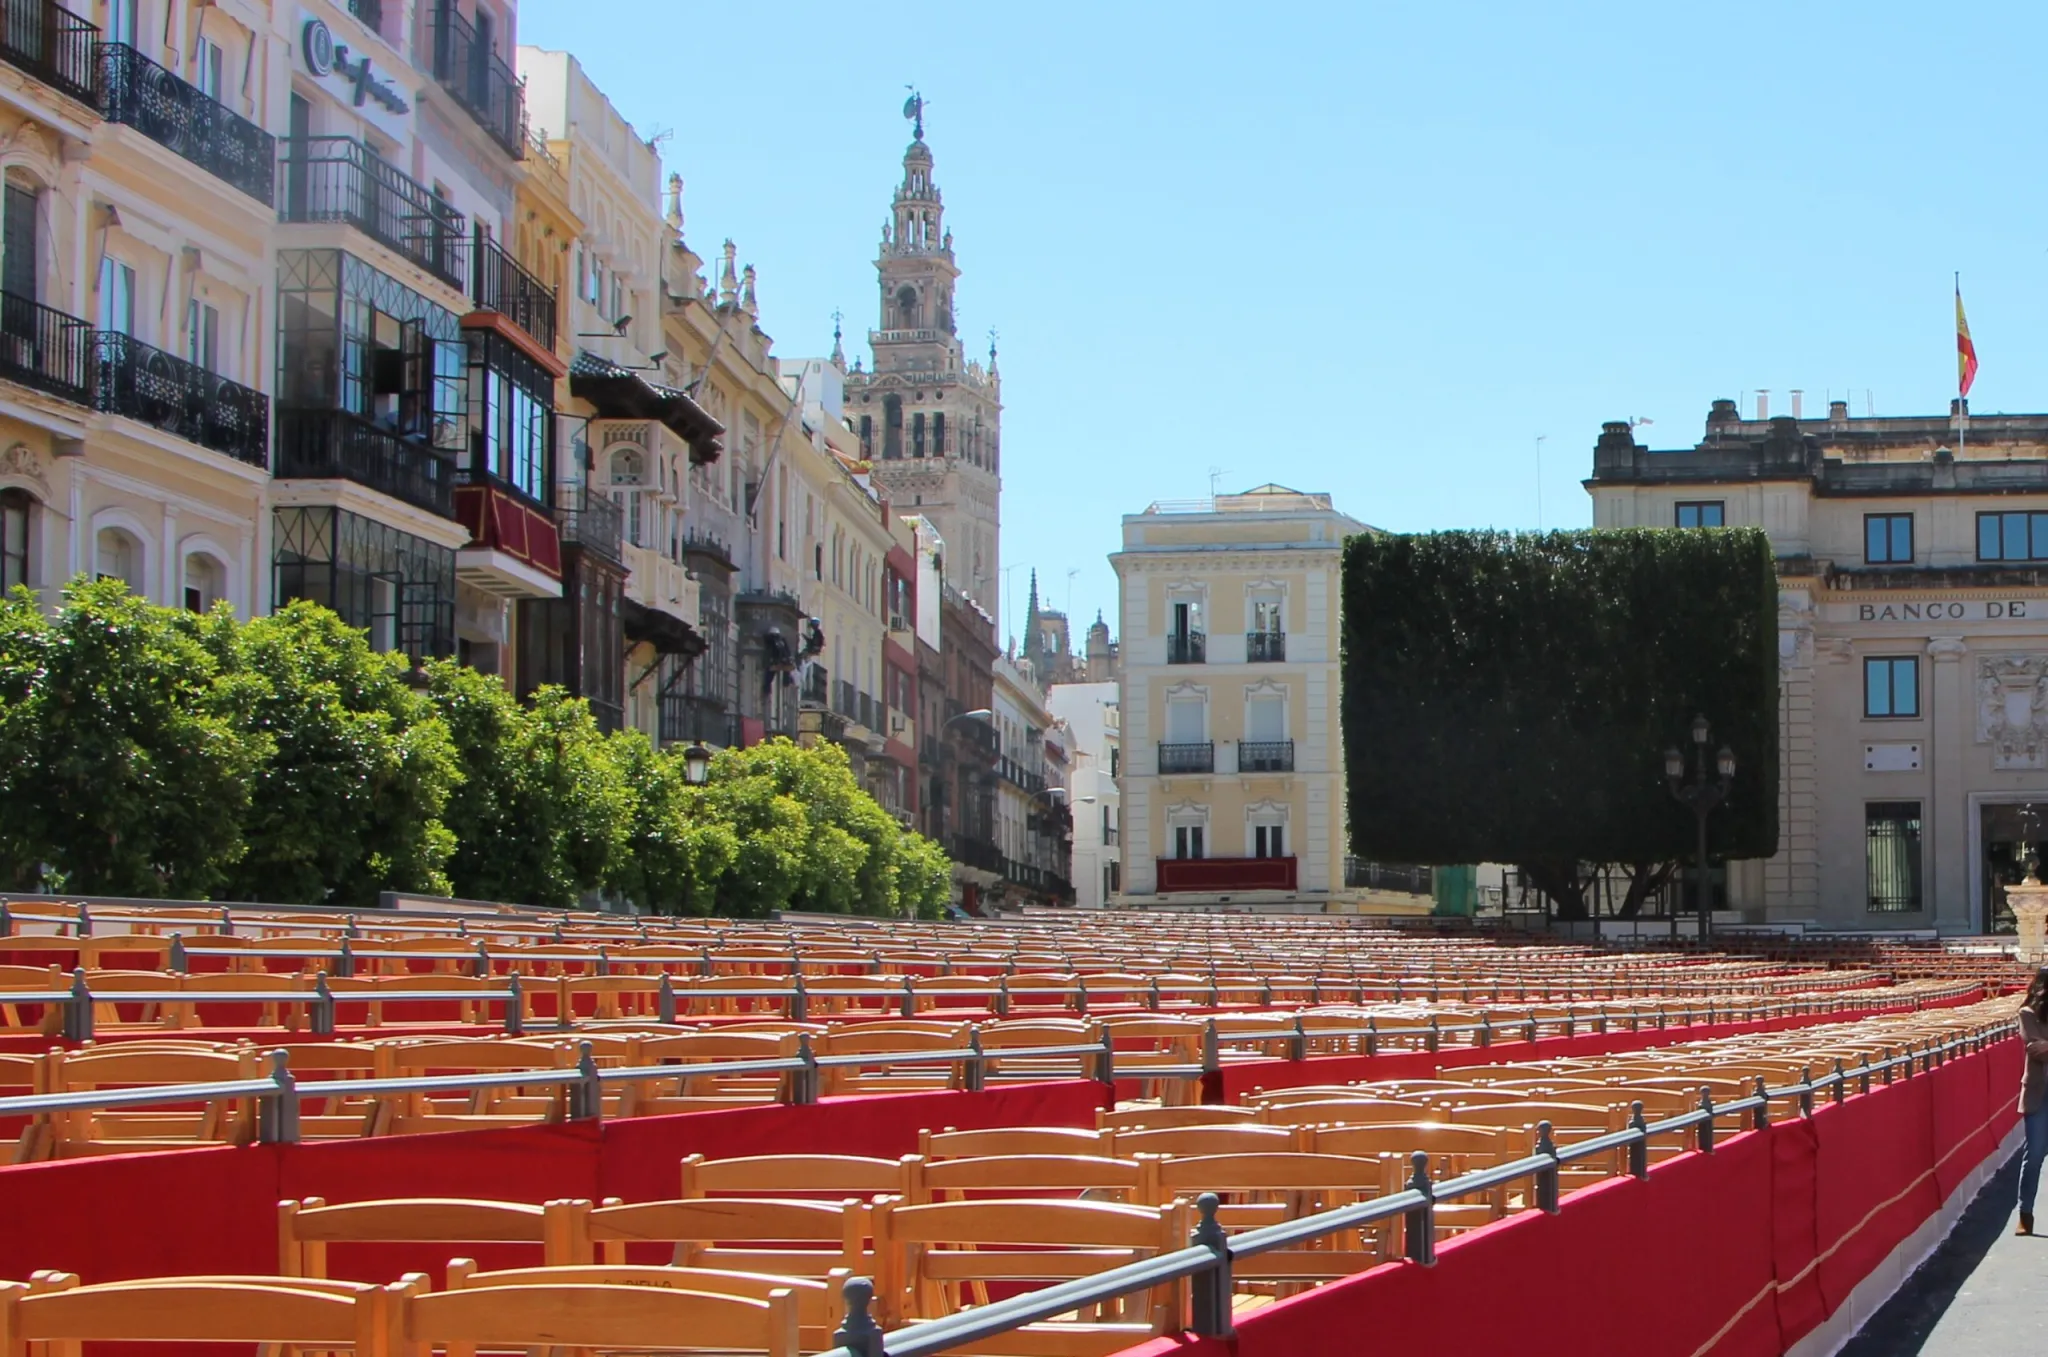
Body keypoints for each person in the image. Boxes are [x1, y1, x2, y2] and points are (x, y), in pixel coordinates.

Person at [2018, 966, 2048, 1234]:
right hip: (2040, 1093)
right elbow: (2035, 1049)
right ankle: (2025, 1214)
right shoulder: (2027, 1013)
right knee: (2035, 1155)